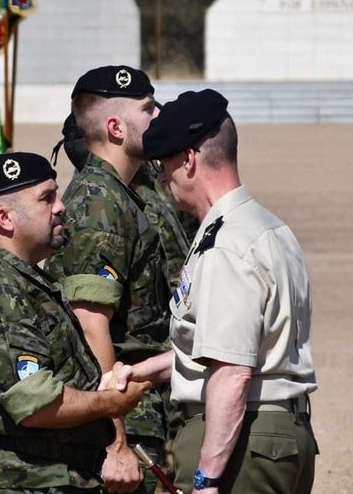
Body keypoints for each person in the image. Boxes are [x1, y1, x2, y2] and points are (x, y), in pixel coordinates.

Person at [110, 89, 318, 493]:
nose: (163, 178)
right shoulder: (268, 227)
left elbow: (232, 371)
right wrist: (146, 371)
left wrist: (207, 478)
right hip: (278, 433)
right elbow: (243, 346)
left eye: (164, 165)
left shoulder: (226, 246)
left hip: (242, 443)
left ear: (188, 160)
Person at [0, 151, 151, 493]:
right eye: (46, 198)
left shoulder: (22, 280)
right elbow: (36, 404)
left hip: (57, 475)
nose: (60, 207)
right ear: (5, 218)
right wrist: (111, 403)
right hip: (28, 480)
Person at [44, 66, 172, 493]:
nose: (158, 117)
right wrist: (117, 442)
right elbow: (89, 322)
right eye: (148, 109)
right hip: (123, 418)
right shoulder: (99, 201)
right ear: (115, 127)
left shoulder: (121, 193)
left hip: (139, 405)